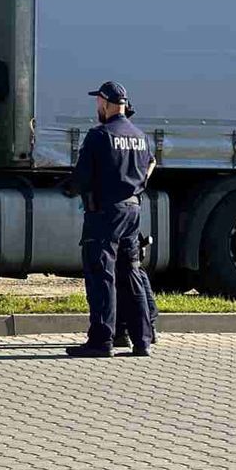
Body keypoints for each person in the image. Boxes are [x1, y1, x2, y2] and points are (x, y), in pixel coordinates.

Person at [64, 81, 156, 357]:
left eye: (98, 103)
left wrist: (67, 188)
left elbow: (81, 178)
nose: (97, 108)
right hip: (132, 210)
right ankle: (142, 340)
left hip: (105, 214)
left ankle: (101, 340)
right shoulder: (140, 136)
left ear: (105, 103)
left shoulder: (99, 135)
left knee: (101, 274)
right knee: (131, 273)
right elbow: (150, 166)